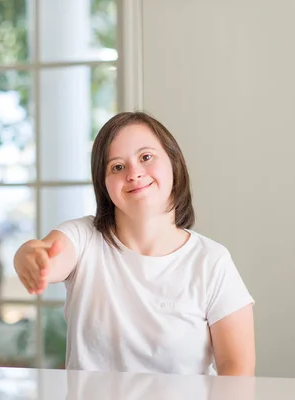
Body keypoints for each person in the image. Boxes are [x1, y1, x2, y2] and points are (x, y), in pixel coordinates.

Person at [13, 111, 255, 376]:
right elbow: (49, 254)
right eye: (117, 166)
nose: (134, 173)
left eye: (146, 157)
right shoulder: (84, 237)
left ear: (174, 163)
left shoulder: (212, 261)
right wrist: (28, 257)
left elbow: (237, 367)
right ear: (104, 185)